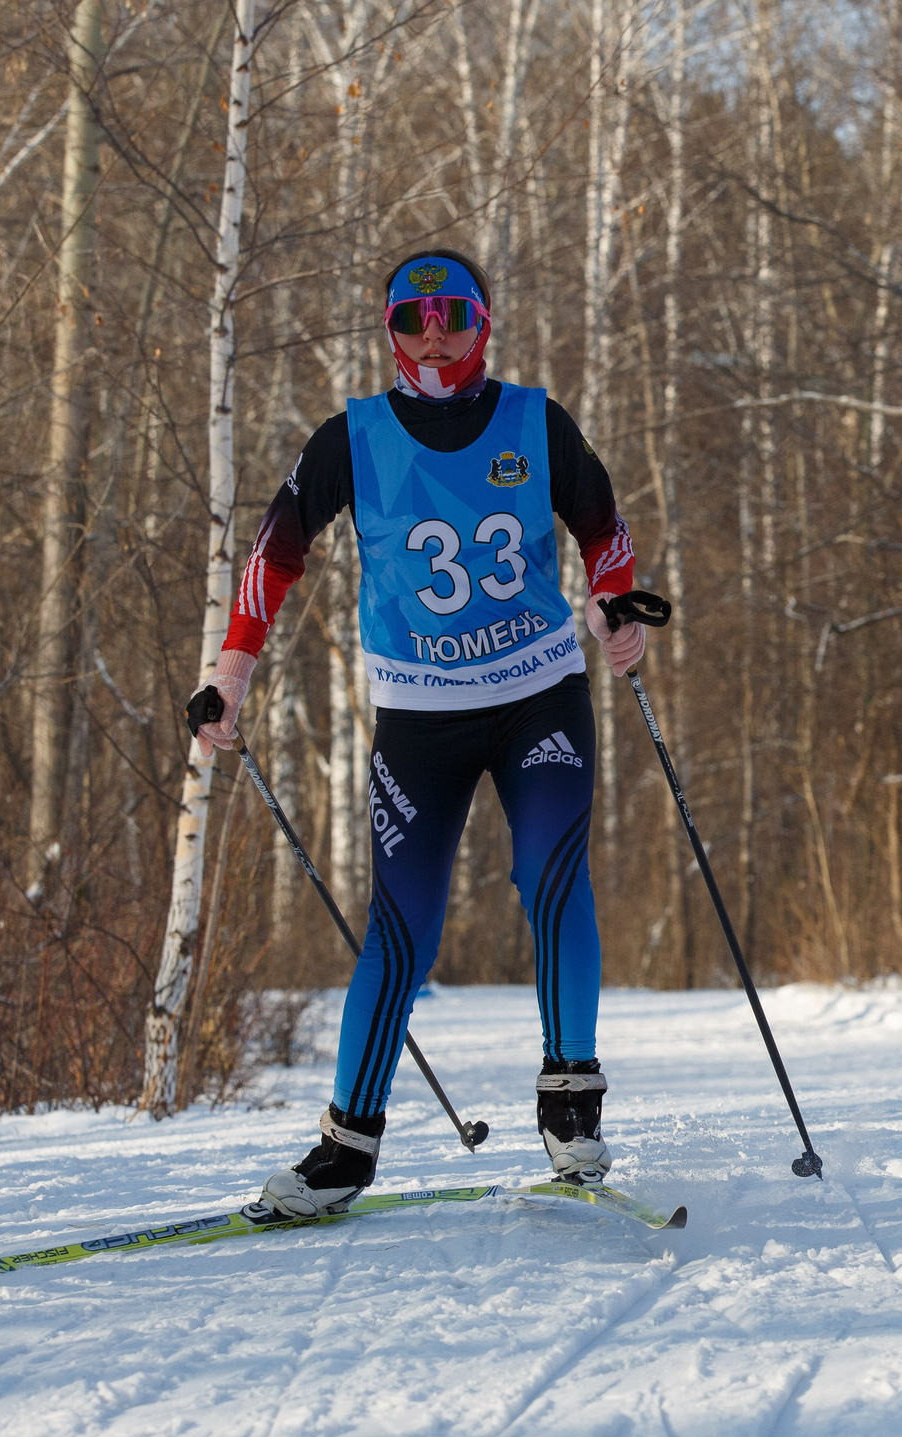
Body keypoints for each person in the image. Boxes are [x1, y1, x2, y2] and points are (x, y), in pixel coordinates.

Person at [191, 248, 644, 1221]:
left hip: (537, 694)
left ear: (483, 322)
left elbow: (600, 523)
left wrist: (615, 601)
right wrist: (231, 671)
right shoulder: (351, 437)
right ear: (388, 331)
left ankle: (572, 1105)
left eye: (450, 314)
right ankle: (344, 1153)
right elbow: (274, 553)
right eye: (410, 317)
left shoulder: (534, 421)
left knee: (551, 874)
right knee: (401, 932)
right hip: (419, 715)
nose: (431, 334)